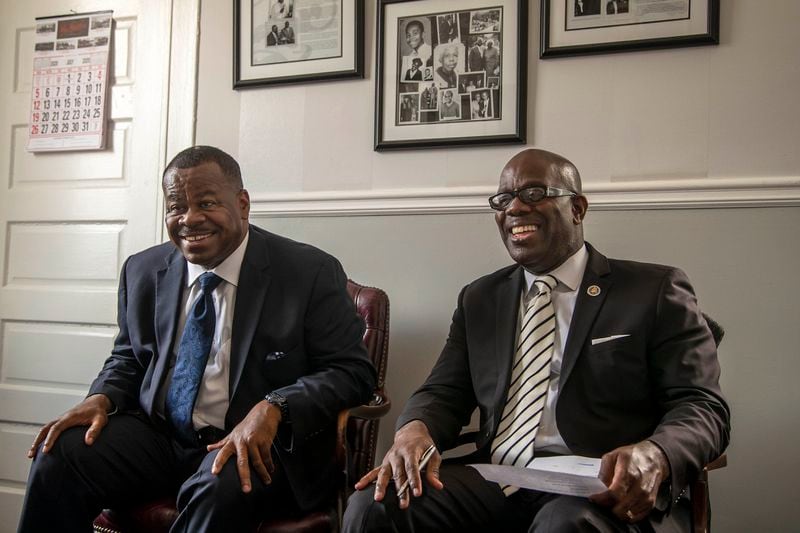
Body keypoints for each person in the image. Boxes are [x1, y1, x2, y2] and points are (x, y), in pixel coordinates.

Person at [343, 148, 730, 532]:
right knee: (374, 506)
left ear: (577, 208)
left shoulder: (652, 290)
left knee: (563, 524)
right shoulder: (480, 298)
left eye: (533, 194)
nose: (514, 209)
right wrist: (414, 429)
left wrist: (656, 453)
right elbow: (444, 391)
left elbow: (703, 407)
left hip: (598, 488)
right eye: (503, 199)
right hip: (499, 477)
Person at [19, 146, 377, 532]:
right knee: (61, 452)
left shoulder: (308, 271)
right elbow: (128, 359)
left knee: (221, 481)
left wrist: (274, 406)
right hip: (161, 438)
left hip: (258, 448)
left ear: (242, 204)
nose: (189, 219)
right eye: (176, 207)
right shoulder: (143, 270)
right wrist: (99, 397)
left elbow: (352, 372)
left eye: (207, 203)